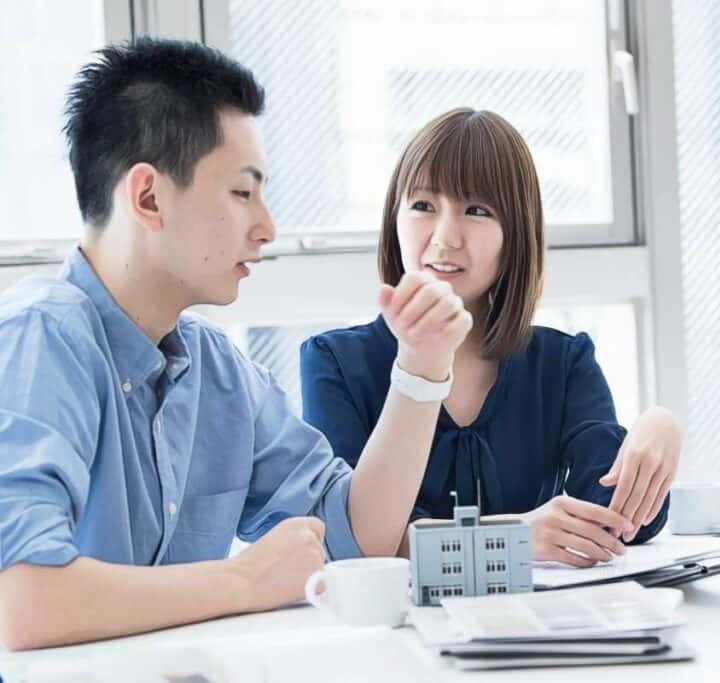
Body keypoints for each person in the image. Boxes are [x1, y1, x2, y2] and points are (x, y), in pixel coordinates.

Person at [0, 38, 470, 651]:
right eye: (242, 193)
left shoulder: (215, 368)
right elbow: (25, 601)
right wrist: (244, 578)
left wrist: (421, 366)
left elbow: (356, 538)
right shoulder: (39, 340)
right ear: (148, 197)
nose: (267, 227)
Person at [301, 108, 681, 567]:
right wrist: (510, 537)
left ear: (515, 232)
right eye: (423, 206)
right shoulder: (336, 362)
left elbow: (612, 524)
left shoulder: (562, 362)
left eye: (477, 210)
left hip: (531, 625)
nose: (444, 238)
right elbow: (346, 539)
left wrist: (658, 430)